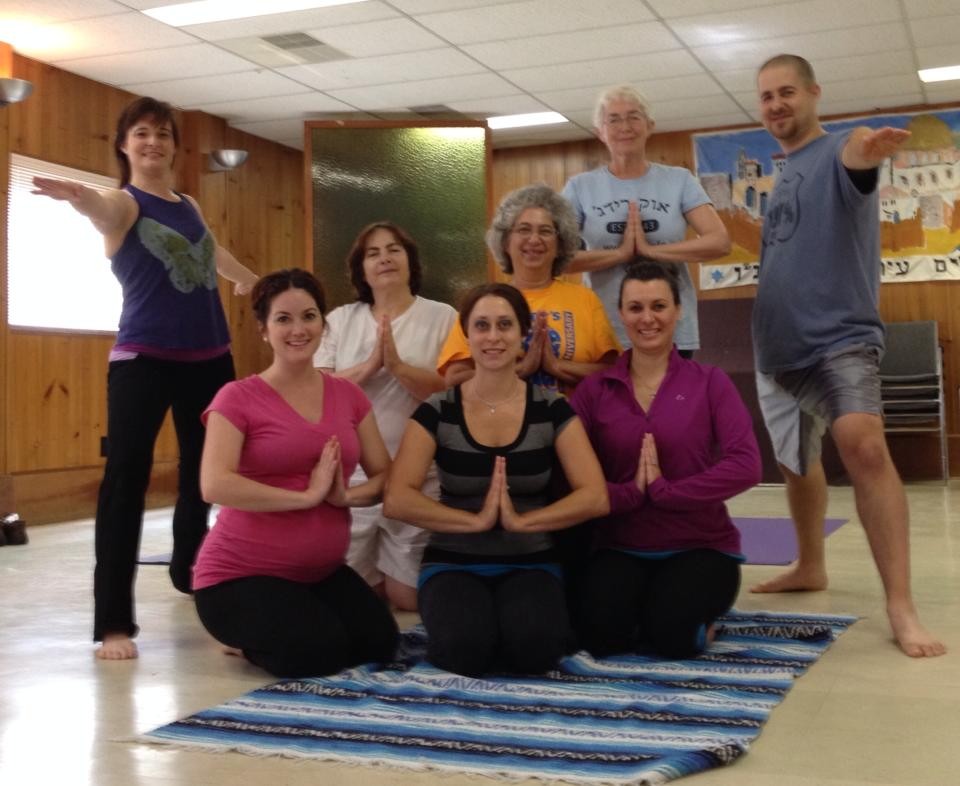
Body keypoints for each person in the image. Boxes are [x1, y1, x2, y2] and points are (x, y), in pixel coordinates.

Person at [31, 97, 259, 661]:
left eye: (162, 133)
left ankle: (190, 570)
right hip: (144, 361)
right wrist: (81, 198)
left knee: (205, 477)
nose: (153, 142)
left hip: (210, 358)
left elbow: (209, 251)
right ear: (124, 145)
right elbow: (104, 208)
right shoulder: (124, 205)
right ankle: (113, 623)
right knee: (125, 483)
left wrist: (250, 280)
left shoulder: (189, 204)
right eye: (141, 133)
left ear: (175, 147)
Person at [749, 54, 945, 658]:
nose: (776, 104)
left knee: (864, 445)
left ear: (814, 92)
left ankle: (901, 607)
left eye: (786, 92)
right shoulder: (784, 174)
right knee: (795, 459)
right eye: (766, 96)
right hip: (774, 346)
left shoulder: (836, 150)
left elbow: (857, 155)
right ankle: (810, 564)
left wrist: (867, 147)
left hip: (839, 337)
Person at [384, 283, 608, 676]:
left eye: (504, 325)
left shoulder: (551, 408)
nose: (493, 336)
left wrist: (523, 521)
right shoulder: (439, 409)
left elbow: (595, 496)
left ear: (522, 335)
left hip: (530, 561)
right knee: (463, 652)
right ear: (467, 336)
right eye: (482, 325)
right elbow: (398, 498)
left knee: (536, 652)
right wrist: (474, 521)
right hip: (453, 561)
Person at [193, 269, 398, 678]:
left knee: (380, 644)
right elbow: (214, 484)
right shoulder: (236, 397)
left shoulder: (349, 395)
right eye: (283, 319)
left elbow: (384, 477)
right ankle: (242, 641)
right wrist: (304, 498)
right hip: (238, 577)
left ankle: (291, 622)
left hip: (318, 573)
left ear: (324, 323)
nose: (298, 329)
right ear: (264, 330)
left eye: (308, 316)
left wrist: (344, 497)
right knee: (318, 653)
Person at [568, 261, 761, 658]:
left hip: (700, 546)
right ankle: (644, 609)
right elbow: (567, 477)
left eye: (658, 306)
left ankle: (686, 616)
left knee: (673, 639)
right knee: (599, 639)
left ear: (678, 310)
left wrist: (668, 492)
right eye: (635, 308)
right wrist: (626, 494)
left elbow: (746, 465)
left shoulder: (710, 382)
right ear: (620, 314)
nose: (647, 318)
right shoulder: (594, 390)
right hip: (619, 546)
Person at [314, 222, 456, 611]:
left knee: (407, 597)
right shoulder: (340, 319)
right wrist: (370, 366)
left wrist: (399, 368)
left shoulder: (443, 317)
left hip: (422, 475)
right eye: (373, 253)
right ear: (361, 269)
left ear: (411, 261)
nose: (385, 259)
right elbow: (318, 389)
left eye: (394, 249)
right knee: (351, 594)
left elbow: (452, 393)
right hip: (355, 476)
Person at [562, 85, 730, 357]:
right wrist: (620, 254)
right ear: (600, 132)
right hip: (605, 331)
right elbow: (557, 258)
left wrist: (650, 251)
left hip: (670, 330)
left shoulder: (680, 180)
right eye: (613, 120)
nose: (625, 127)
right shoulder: (579, 188)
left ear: (649, 126)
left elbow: (719, 242)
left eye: (634, 117)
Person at [437, 184, 619, 393]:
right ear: (505, 242)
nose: (534, 240)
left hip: (574, 413)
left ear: (560, 245)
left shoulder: (584, 299)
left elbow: (613, 373)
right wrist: (522, 368)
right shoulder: (484, 302)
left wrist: (557, 366)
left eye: (545, 231)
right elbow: (455, 378)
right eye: (524, 229)